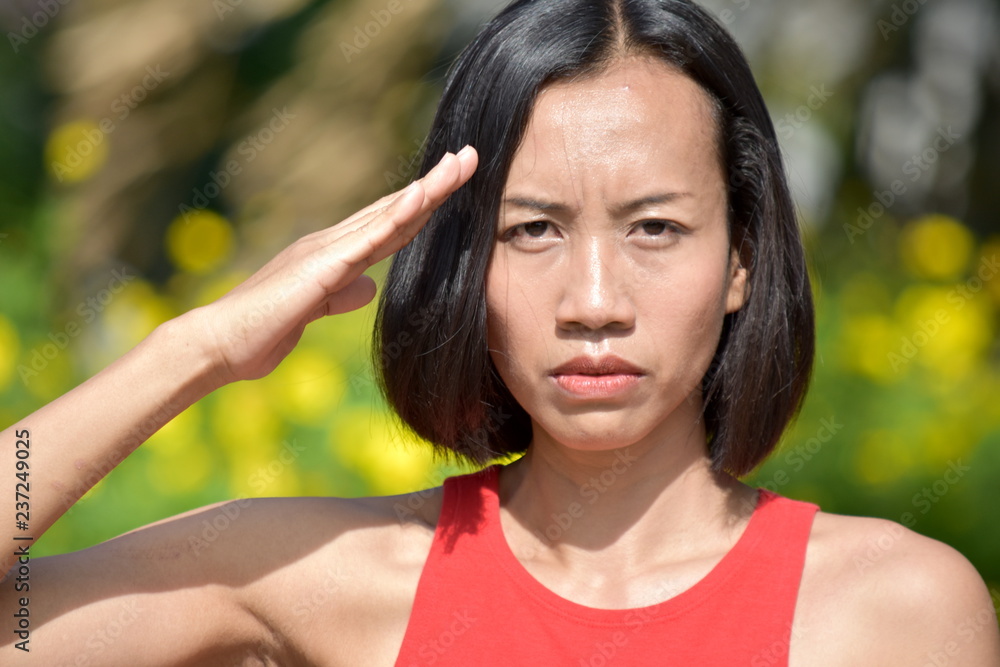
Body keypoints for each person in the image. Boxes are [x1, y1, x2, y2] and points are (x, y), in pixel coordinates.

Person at [2, 0, 998, 664]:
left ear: (741, 259)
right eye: (532, 230)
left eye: (655, 227)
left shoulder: (892, 611)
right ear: (466, 264)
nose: (594, 298)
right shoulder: (325, 576)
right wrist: (199, 348)